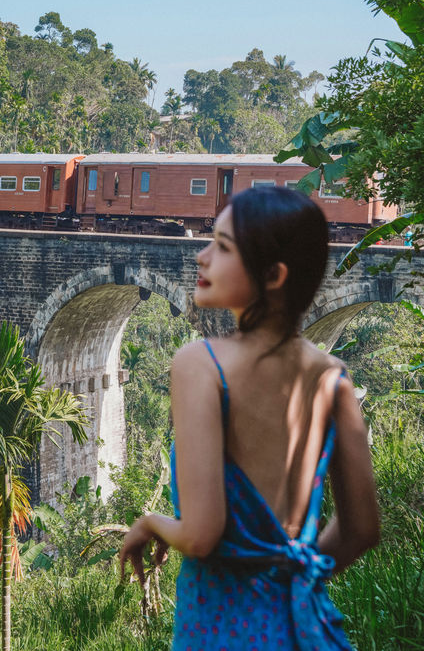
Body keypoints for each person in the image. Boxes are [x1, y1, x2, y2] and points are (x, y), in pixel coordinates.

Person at [120, 187, 379, 650]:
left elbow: (200, 535)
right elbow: (361, 530)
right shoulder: (334, 378)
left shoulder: (200, 364)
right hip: (303, 627)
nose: (201, 257)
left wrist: (150, 522)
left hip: (221, 627)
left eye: (221, 246)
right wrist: (286, 575)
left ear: (274, 274)